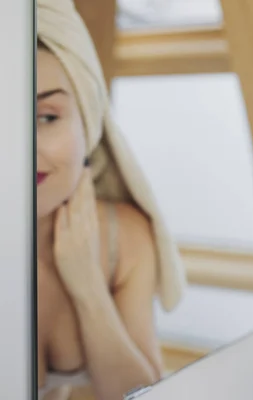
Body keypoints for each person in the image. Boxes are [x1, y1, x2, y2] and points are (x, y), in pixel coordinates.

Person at [37, 1, 187, 399]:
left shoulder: (125, 239)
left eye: (46, 117)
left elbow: (142, 393)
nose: (24, 147)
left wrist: (86, 284)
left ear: (87, 120)